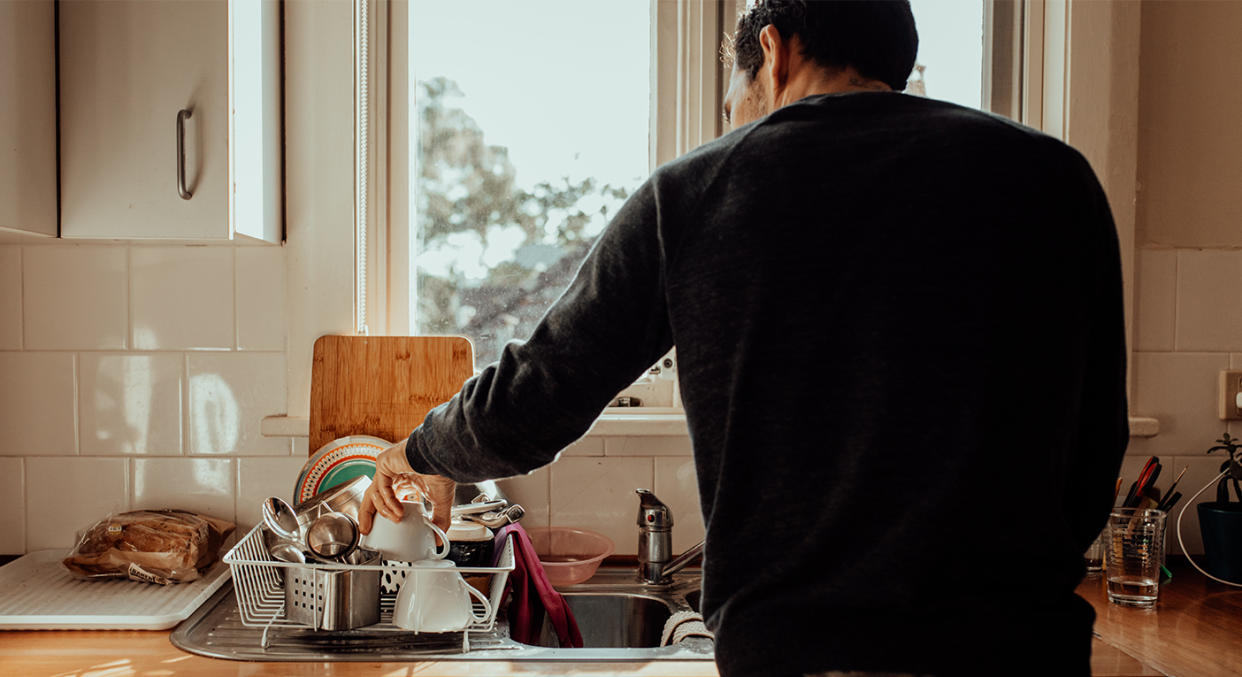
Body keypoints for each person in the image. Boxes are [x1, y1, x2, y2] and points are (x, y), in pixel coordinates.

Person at [359, 1, 1129, 675]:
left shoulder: (698, 189)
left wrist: (417, 450)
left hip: (796, 650)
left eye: (733, 98)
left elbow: (536, 397)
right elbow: (1096, 450)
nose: (733, 122)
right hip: (1018, 648)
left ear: (773, 50)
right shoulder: (1055, 180)